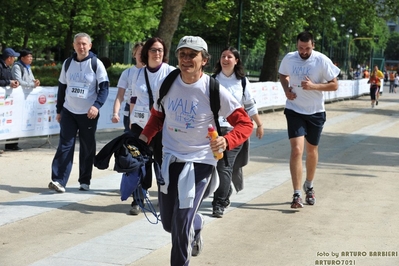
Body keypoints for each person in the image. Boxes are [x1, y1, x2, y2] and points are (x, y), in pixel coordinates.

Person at [138, 36, 253, 265]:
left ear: (205, 60)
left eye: (193, 55)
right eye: (183, 54)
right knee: (170, 224)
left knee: (181, 222)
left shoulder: (213, 89)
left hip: (200, 162)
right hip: (169, 159)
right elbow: (157, 117)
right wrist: (141, 140)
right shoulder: (168, 83)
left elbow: (245, 123)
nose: (186, 59)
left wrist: (227, 141)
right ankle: (196, 224)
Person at [278, 31, 340, 208]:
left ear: (313, 45)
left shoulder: (321, 60)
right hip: (294, 110)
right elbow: (283, 75)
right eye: (300, 48)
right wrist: (286, 89)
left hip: (315, 112)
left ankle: (309, 186)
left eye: (306, 48)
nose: (303, 52)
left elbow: (334, 84)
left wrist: (314, 86)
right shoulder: (289, 58)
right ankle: (297, 194)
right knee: (297, 150)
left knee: (311, 150)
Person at [49, 32, 109, 193]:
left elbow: (104, 89)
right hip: (69, 111)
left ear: (89, 46)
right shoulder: (68, 63)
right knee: (65, 145)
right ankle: (59, 180)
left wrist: (96, 106)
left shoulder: (96, 64)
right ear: (74, 46)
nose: (81, 47)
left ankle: (84, 180)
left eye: (84, 44)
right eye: (78, 44)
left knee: (87, 147)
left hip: (88, 114)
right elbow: (62, 88)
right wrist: (59, 110)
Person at [211, 46, 264, 218]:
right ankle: (225, 194)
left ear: (236, 60)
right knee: (215, 167)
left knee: (224, 165)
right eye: (223, 56)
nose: (226, 59)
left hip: (234, 132)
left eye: (229, 57)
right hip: (214, 131)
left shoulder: (242, 81)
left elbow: (249, 105)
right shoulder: (212, 80)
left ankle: (219, 202)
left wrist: (259, 124)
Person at [128, 37, 175, 215]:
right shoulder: (138, 73)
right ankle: (138, 199)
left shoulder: (171, 72)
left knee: (164, 164)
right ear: (146, 52)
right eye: (154, 50)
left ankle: (166, 200)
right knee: (139, 162)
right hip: (140, 125)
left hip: (162, 126)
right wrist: (131, 120)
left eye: (160, 50)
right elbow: (133, 97)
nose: (157, 53)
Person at [112, 42, 145, 132]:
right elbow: (120, 95)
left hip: (147, 108)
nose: (142, 56)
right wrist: (115, 113)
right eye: (139, 54)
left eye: (144, 53)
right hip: (130, 108)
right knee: (130, 138)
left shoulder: (152, 73)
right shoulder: (127, 73)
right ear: (134, 55)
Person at [0, 48, 21, 152]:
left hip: (5, 102)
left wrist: (14, 82)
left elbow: (9, 79)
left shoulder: (7, 67)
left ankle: (10, 145)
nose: (14, 60)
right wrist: (9, 82)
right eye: (14, 58)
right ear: (9, 58)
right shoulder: (0, 66)